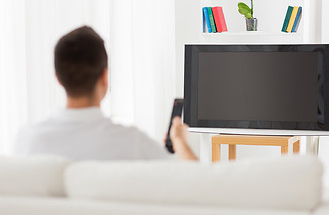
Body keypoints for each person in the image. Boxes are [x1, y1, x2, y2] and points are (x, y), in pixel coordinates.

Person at [14, 26, 197, 161]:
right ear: (104, 76)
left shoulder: (27, 140)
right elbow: (197, 183)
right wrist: (180, 142)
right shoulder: (132, 144)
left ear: (58, 78)